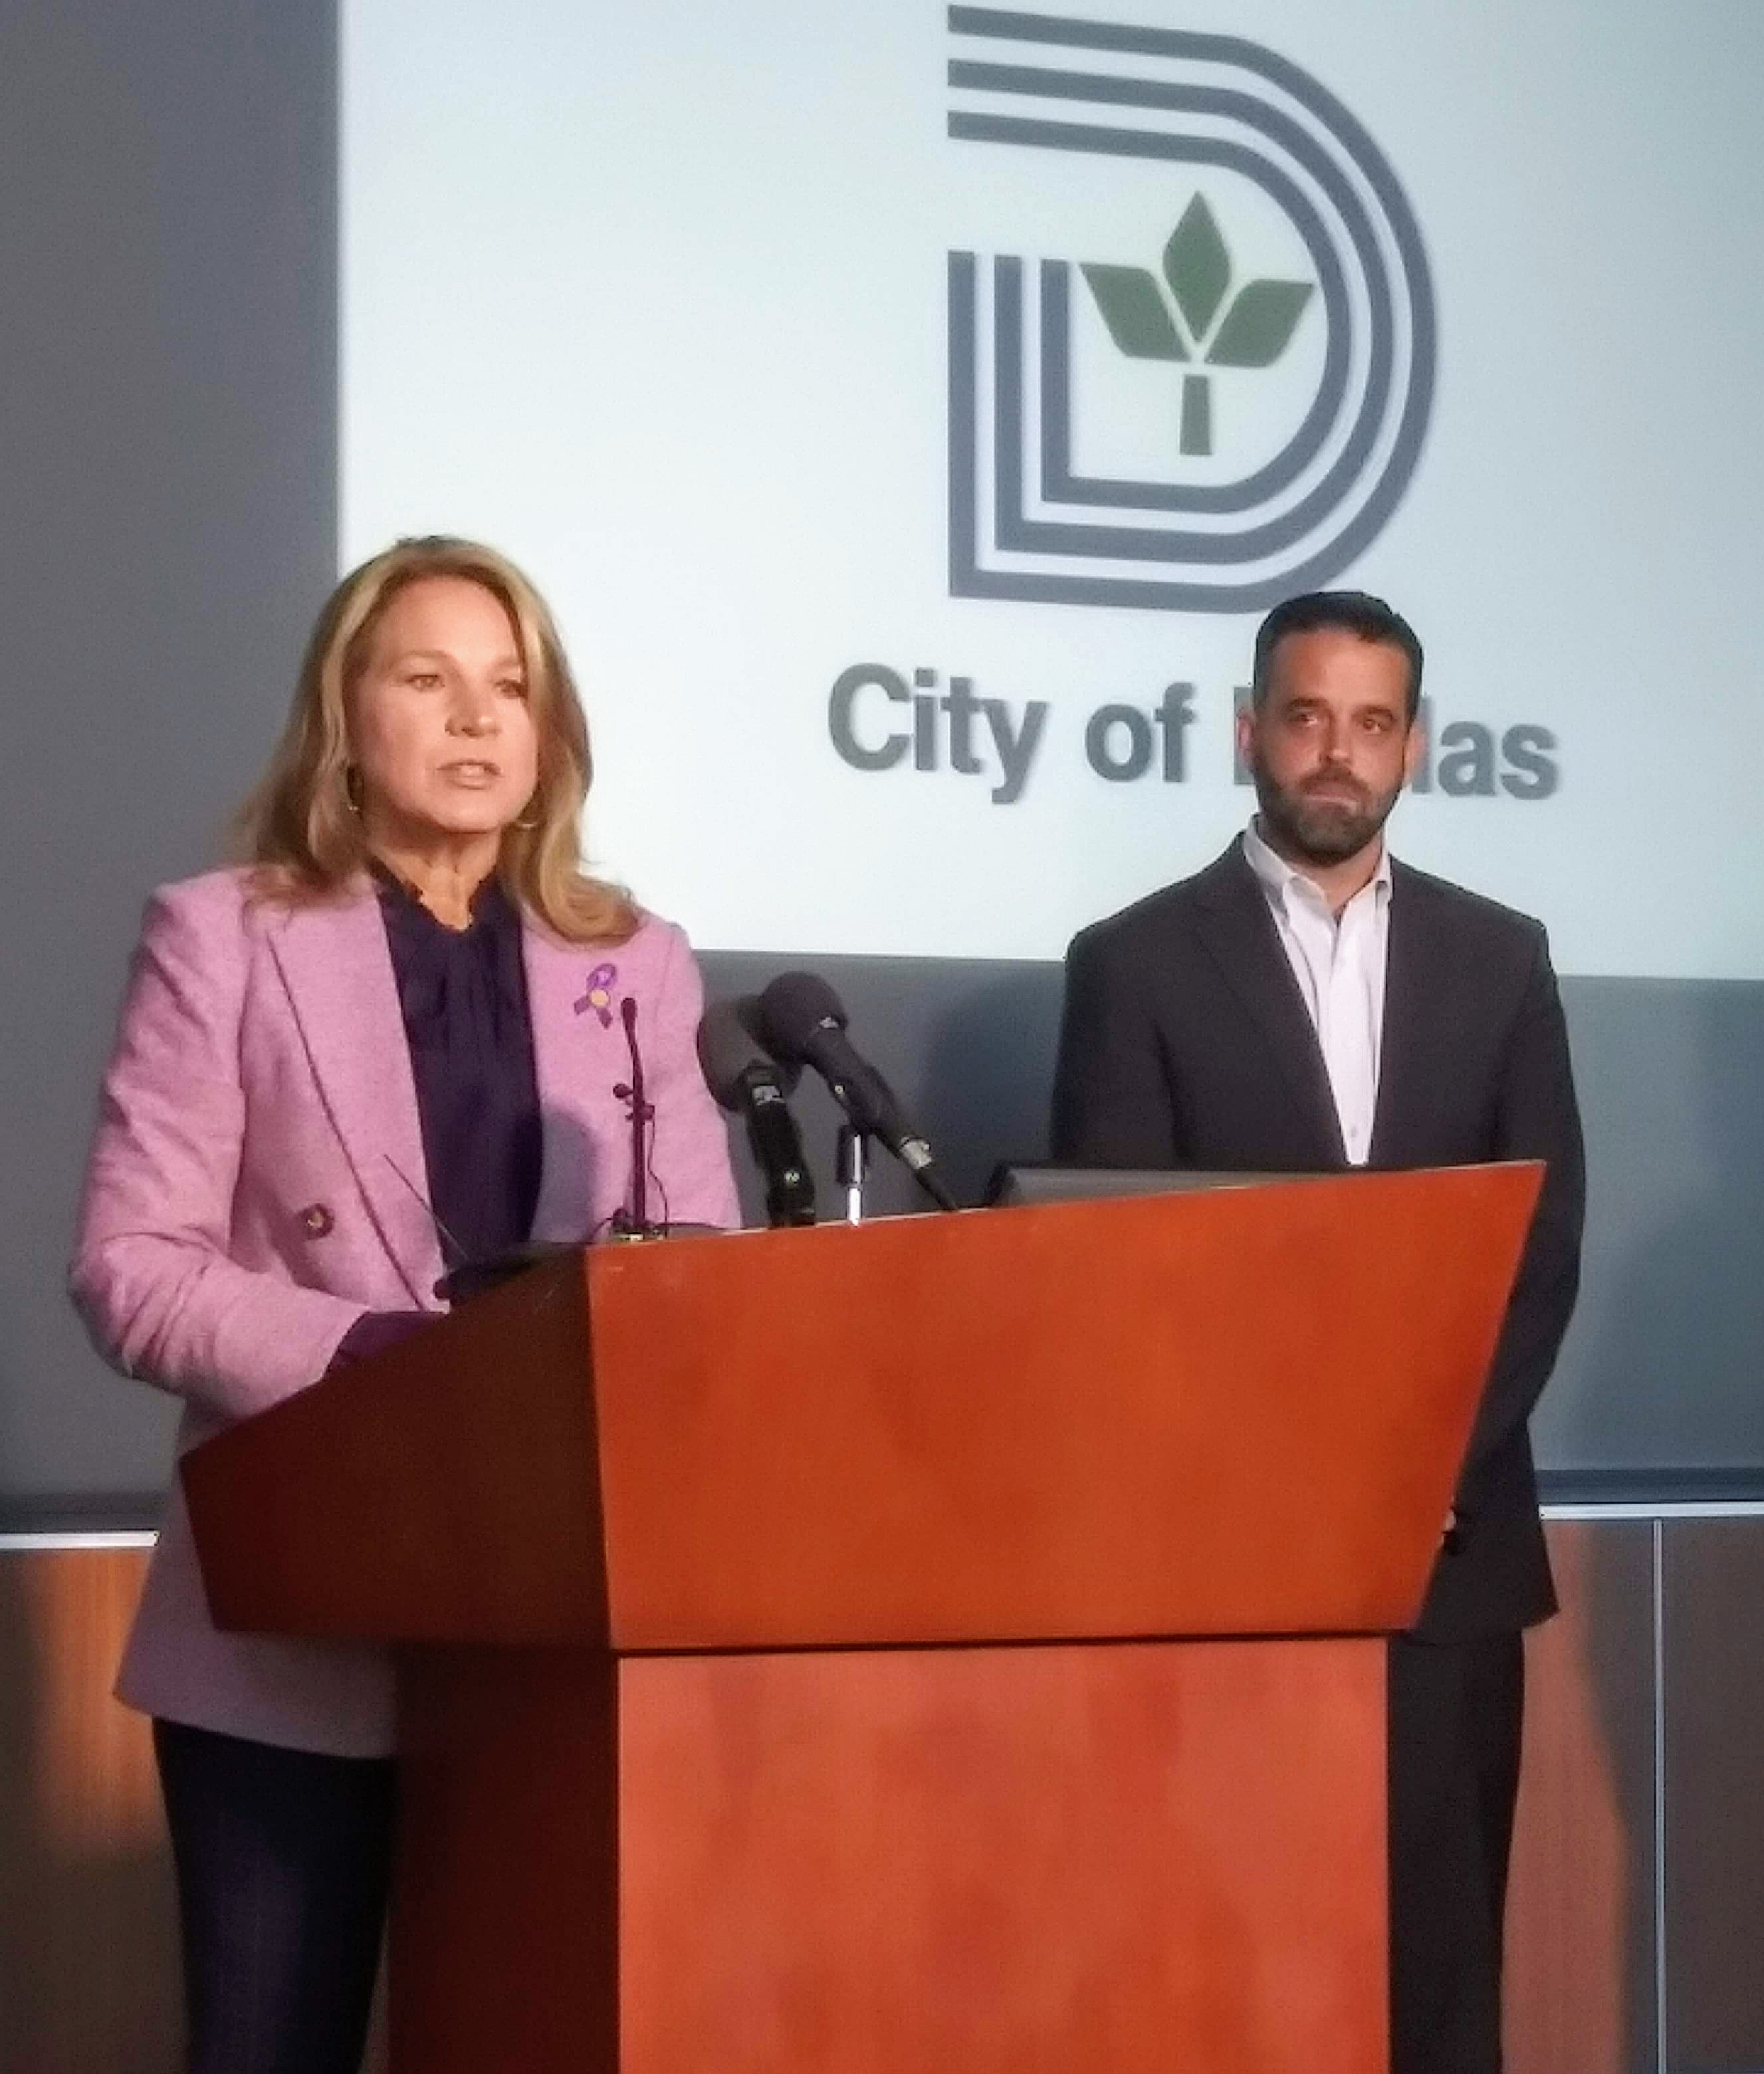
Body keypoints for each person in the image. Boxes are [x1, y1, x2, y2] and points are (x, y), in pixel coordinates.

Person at [69, 536, 739, 2074]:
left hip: (556, 1638)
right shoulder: (225, 934)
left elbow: (696, 1270)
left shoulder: (631, 962)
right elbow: (130, 1264)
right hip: (303, 1601)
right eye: (427, 680)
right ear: (345, 716)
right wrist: (370, 1358)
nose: (475, 719)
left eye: (510, 688)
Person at [1051, 590, 1584, 2074]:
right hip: (1221, 1571)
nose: (1335, 755)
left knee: (1436, 1993)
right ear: (1246, 734)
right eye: (1304, 718)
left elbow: (1539, 1253)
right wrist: (1289, 1495)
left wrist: (1414, 1469)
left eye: (1369, 723)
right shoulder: (1135, 961)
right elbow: (1111, 1272)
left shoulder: (1502, 958)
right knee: (1229, 1981)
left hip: (1451, 1555)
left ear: (1415, 744)